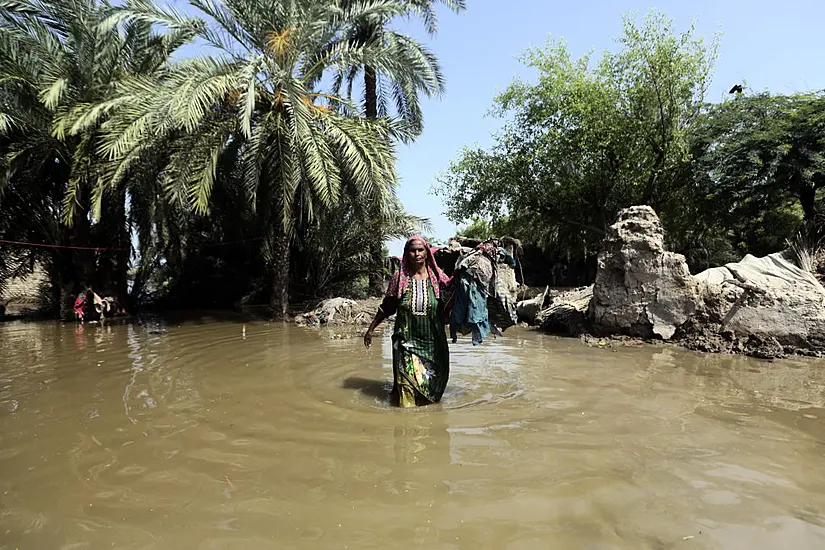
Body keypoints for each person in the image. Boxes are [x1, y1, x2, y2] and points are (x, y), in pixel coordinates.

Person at [364, 236, 452, 407]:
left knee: (429, 389)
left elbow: (451, 305)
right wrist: (371, 329)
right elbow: (387, 307)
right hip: (406, 342)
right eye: (412, 250)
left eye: (420, 250)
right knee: (407, 387)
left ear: (427, 253)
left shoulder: (438, 278)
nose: (417, 254)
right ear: (406, 254)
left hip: (433, 344)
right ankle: (406, 425)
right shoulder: (400, 278)